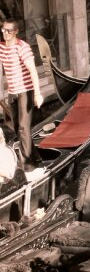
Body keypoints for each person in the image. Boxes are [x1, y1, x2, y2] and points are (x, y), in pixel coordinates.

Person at [0, 19, 44, 172]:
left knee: (24, 129)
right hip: (12, 93)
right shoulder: (1, 48)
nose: (5, 33)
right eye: (3, 30)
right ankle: (36, 158)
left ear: (16, 31)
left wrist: (37, 94)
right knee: (17, 127)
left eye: (8, 31)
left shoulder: (22, 48)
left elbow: (33, 71)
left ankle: (26, 165)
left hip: (26, 92)